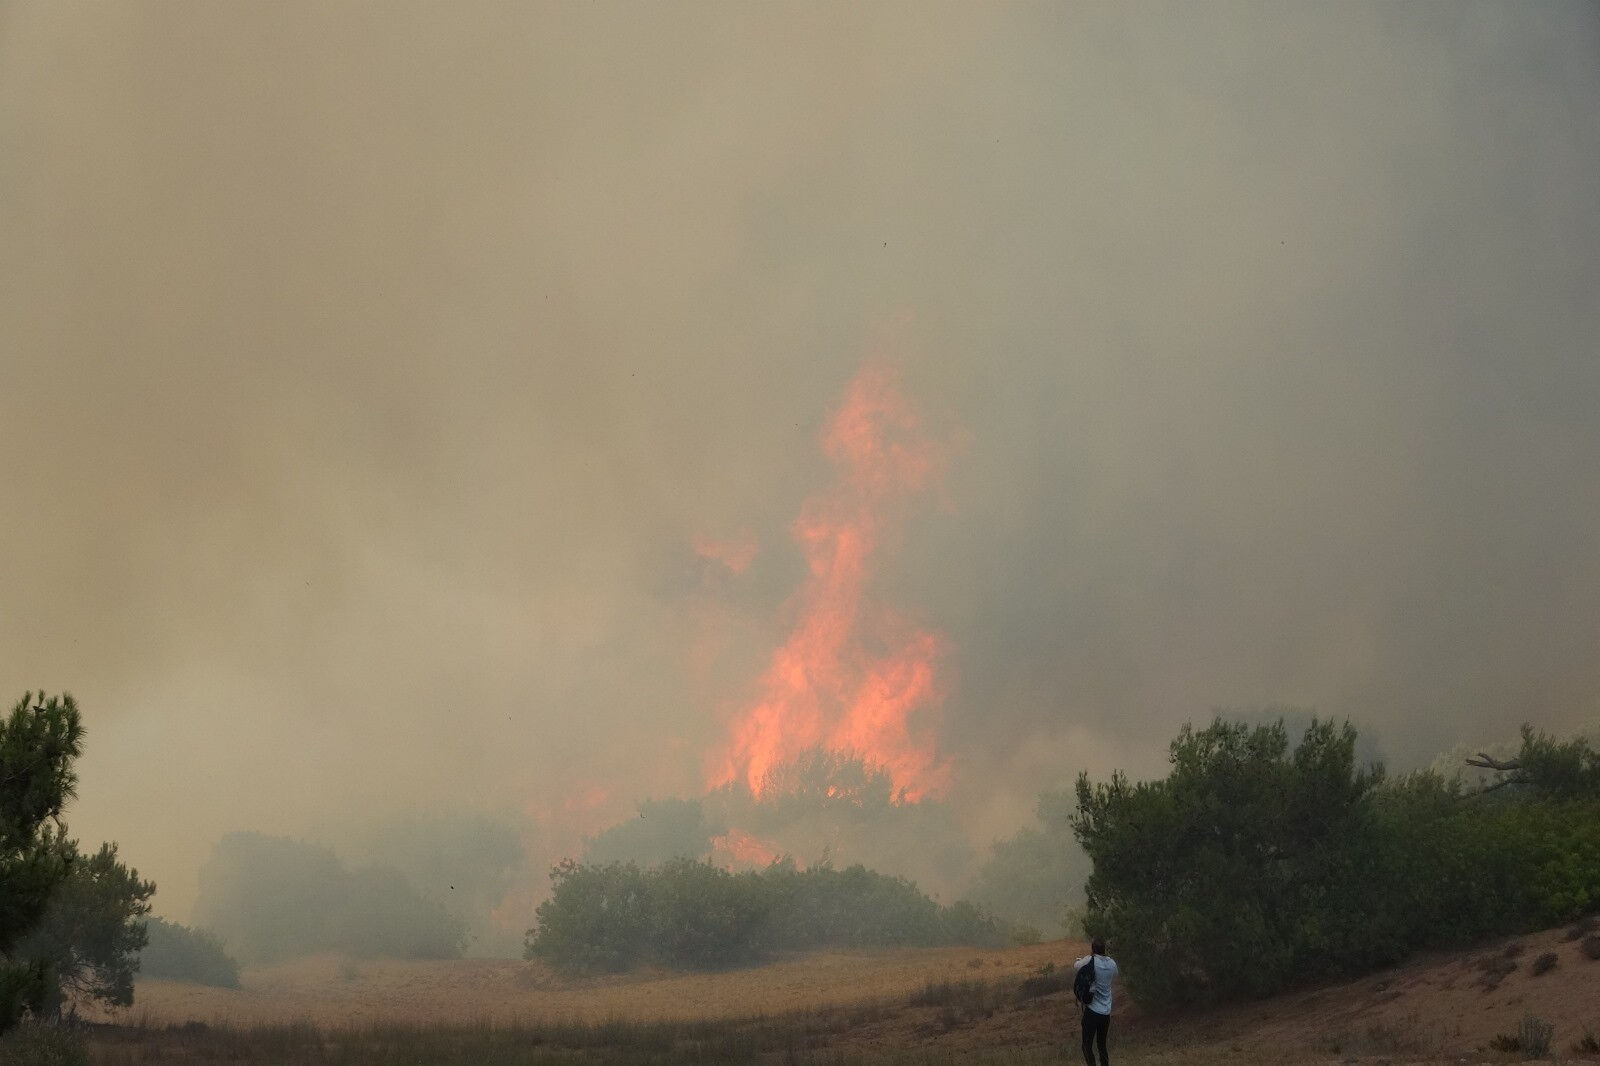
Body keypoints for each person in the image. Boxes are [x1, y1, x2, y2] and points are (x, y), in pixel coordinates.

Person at [1074, 937, 1118, 1066]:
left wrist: (1082, 959)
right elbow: (1115, 974)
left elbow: (1076, 965)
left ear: (1093, 949)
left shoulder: (1090, 960)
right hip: (1106, 1013)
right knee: (1102, 1045)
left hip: (1092, 1011)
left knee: (1086, 1046)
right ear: (1104, 949)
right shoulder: (1112, 964)